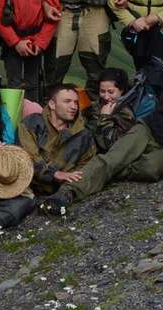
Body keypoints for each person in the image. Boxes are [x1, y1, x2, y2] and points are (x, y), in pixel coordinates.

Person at [19, 84, 111, 215]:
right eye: (67, 101)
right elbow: (26, 157)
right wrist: (54, 174)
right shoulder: (32, 123)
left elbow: (85, 166)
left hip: (60, 190)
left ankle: (58, 200)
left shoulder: (84, 135)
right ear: (52, 104)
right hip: (27, 186)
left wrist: (69, 180)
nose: (74, 107)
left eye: (75, 102)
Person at [84, 67, 163, 185]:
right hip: (98, 153)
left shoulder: (125, 112)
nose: (106, 96)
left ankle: (109, 172)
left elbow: (116, 147)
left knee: (151, 167)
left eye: (111, 92)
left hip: (119, 154)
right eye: (102, 91)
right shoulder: (96, 106)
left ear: (121, 90)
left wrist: (105, 119)